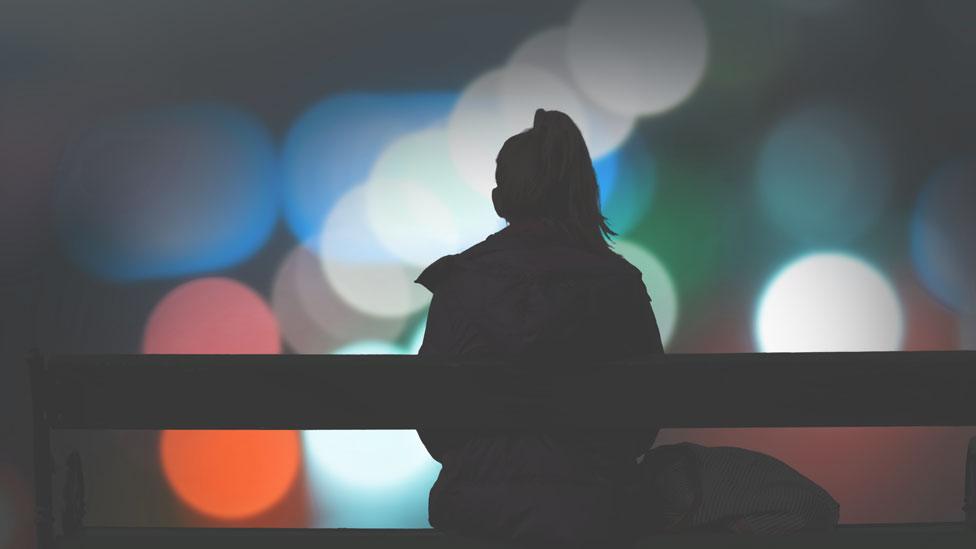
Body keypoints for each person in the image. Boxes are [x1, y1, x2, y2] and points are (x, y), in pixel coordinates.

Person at [414, 108, 664, 546]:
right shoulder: (618, 284)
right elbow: (644, 417)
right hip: (598, 508)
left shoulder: (459, 282)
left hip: (479, 511)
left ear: (503, 199)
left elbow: (433, 420)